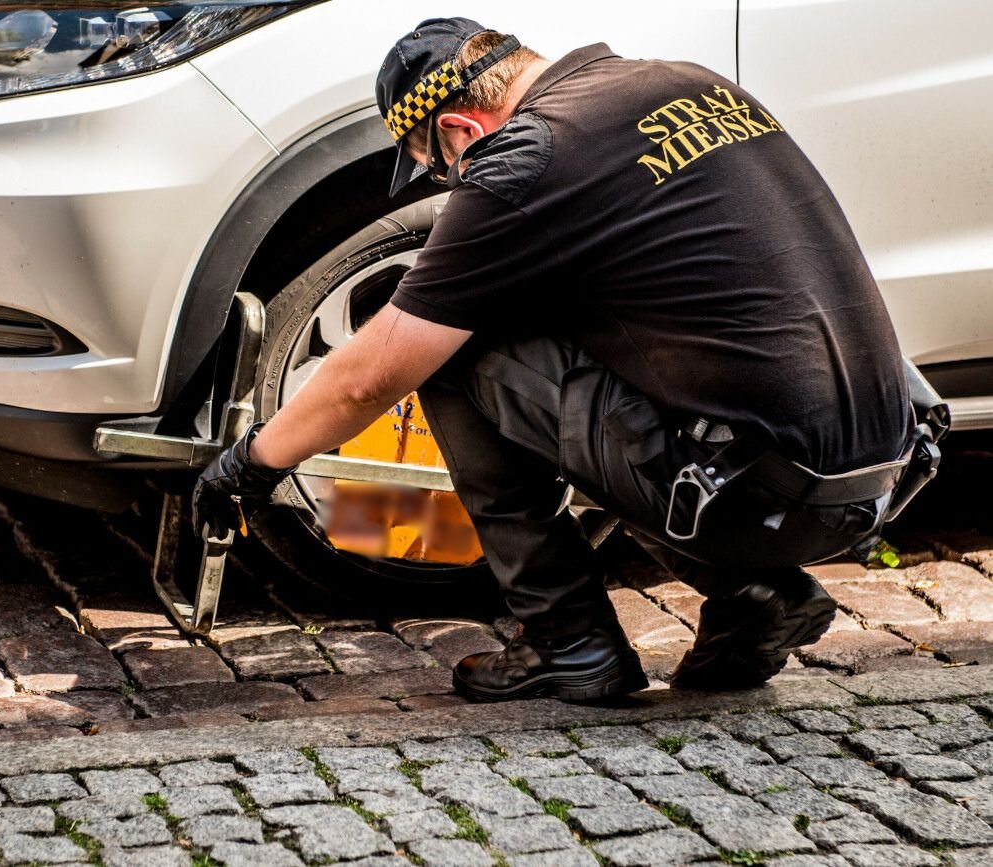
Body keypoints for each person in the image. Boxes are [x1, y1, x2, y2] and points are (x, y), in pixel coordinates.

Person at [193, 18, 924, 702]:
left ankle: (567, 639)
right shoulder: (685, 81)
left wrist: (251, 462)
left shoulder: (531, 155)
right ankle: (755, 595)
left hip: (762, 497)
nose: (451, 183)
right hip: (877, 472)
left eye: (438, 168)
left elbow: (373, 372)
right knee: (572, 355)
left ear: (457, 129)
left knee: (452, 356)